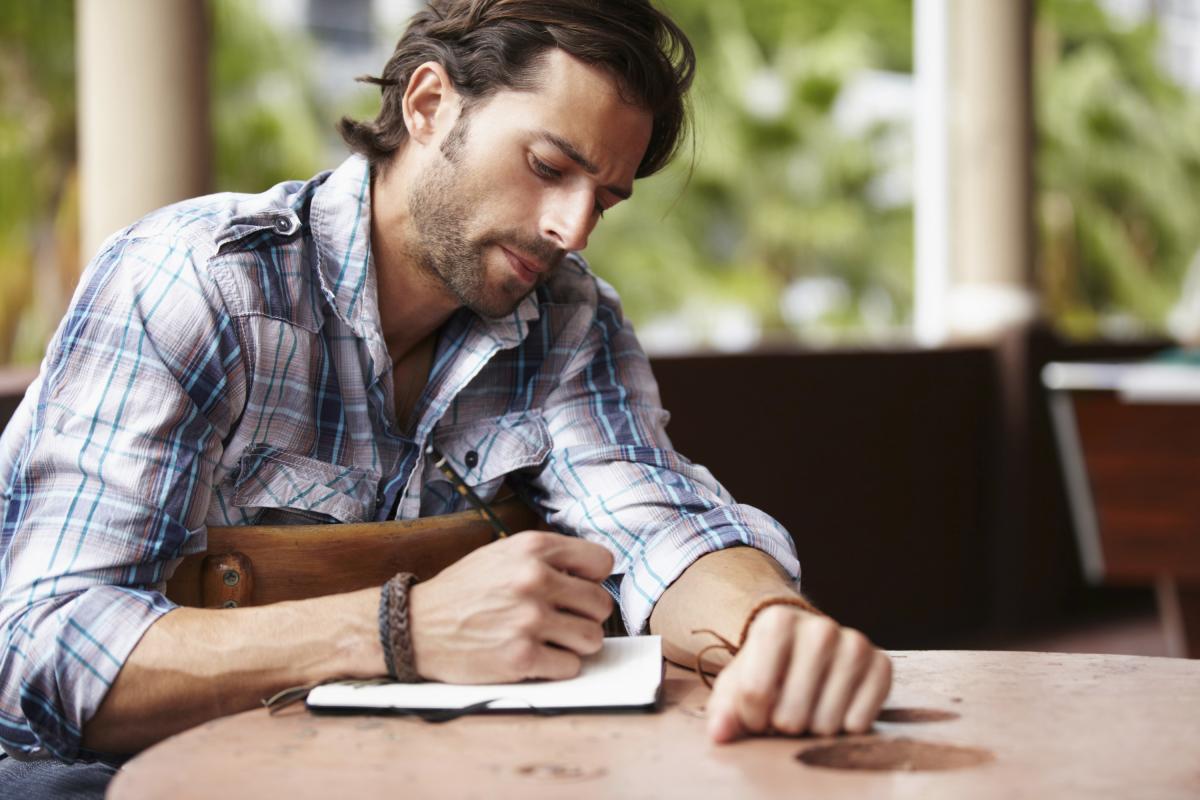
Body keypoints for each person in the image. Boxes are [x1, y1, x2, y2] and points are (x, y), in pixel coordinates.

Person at [0, 0, 891, 793]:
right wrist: (403, 630)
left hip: (379, 766)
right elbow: (44, 649)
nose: (571, 230)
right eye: (549, 166)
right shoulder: (194, 284)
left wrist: (769, 626)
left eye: (605, 199)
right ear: (429, 106)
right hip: (82, 773)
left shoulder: (568, 317)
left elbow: (658, 521)